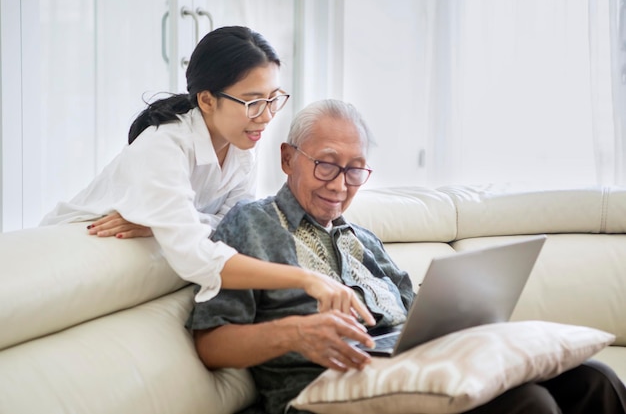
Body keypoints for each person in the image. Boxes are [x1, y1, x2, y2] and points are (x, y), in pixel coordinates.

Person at [187, 99, 626, 414]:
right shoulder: (251, 224)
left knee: (595, 380)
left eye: (355, 168)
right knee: (528, 404)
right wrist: (295, 333)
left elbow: (418, 318)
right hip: (322, 390)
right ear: (288, 159)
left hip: (412, 370)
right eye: (326, 164)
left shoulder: (364, 238)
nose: (340, 184)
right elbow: (210, 343)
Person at [39, 26, 374, 325]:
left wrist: (168, 221)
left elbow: (234, 227)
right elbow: (196, 257)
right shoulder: (164, 147)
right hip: (68, 252)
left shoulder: (242, 147)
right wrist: (305, 279)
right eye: (252, 102)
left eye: (273, 99)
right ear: (207, 100)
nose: (267, 116)